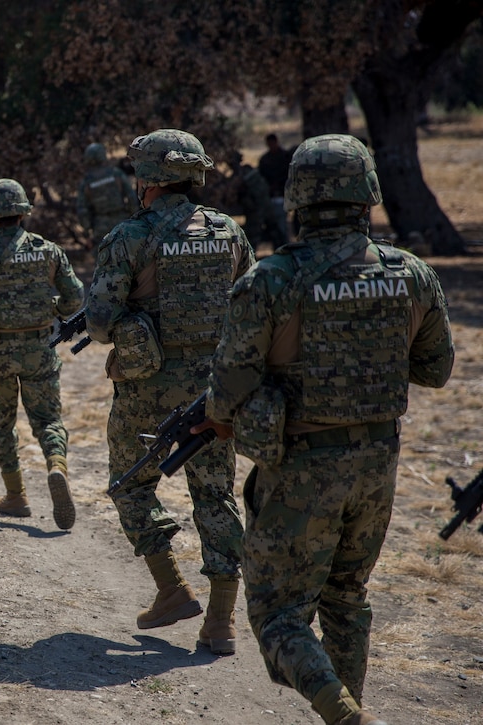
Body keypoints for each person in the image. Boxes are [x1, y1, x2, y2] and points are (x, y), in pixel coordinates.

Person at [197, 134, 454, 725]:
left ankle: (341, 713)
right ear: (368, 195)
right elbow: (436, 370)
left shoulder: (272, 279)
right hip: (378, 465)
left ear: (298, 200)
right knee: (346, 599)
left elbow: (230, 390)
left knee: (277, 613)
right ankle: (351, 710)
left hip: (301, 471)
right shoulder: (411, 274)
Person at [83, 129, 252, 654]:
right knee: (216, 494)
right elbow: (251, 308)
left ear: (148, 179)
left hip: (146, 390)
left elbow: (100, 323)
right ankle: (221, 623)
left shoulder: (130, 236)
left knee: (130, 485)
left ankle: (171, 590)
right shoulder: (229, 232)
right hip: (216, 392)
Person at [0, 179, 83, 530]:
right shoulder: (48, 250)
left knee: (2, 425)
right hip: (39, 349)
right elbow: (75, 298)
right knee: (48, 419)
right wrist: (51, 307)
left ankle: (16, 496)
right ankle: (56, 465)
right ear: (23, 211)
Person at [76, 142, 138, 247]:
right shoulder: (116, 174)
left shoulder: (86, 182)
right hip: (122, 222)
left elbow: (82, 210)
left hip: (100, 227)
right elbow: (131, 196)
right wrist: (135, 219)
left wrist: (87, 233)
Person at [227, 150, 286, 248]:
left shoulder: (241, 174)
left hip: (258, 208)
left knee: (259, 235)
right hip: (260, 207)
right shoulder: (247, 170)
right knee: (271, 232)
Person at [258, 133, 293, 244]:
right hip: (270, 197)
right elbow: (261, 177)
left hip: (283, 195)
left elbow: (289, 176)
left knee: (282, 226)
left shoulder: (285, 157)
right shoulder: (265, 159)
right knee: (273, 226)